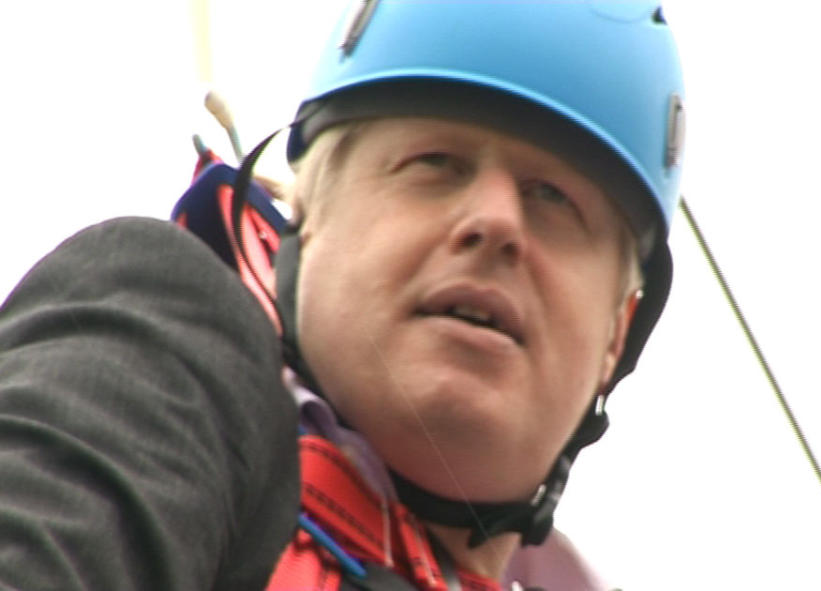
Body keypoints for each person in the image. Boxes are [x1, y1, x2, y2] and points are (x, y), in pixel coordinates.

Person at [0, 1, 685, 589]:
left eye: (554, 198)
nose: (498, 222)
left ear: (615, 337)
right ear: (309, 213)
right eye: (436, 163)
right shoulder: (172, 338)